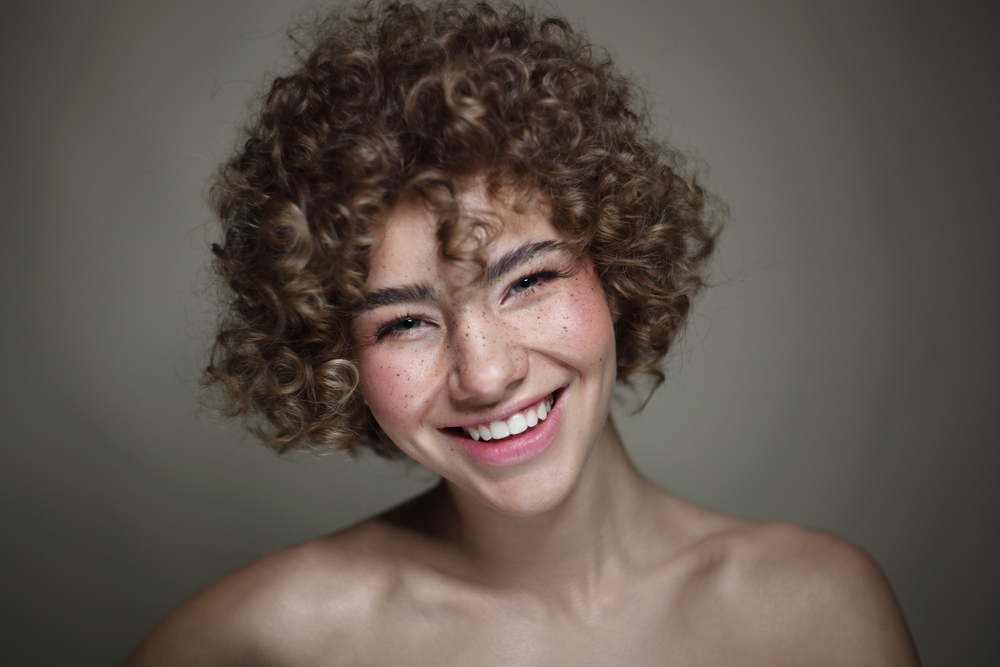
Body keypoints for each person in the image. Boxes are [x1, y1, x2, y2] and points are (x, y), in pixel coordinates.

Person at [122, 1, 920, 664]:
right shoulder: (265, 642)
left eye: (529, 280)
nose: (486, 373)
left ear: (615, 264)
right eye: (404, 322)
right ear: (334, 357)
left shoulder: (815, 614)